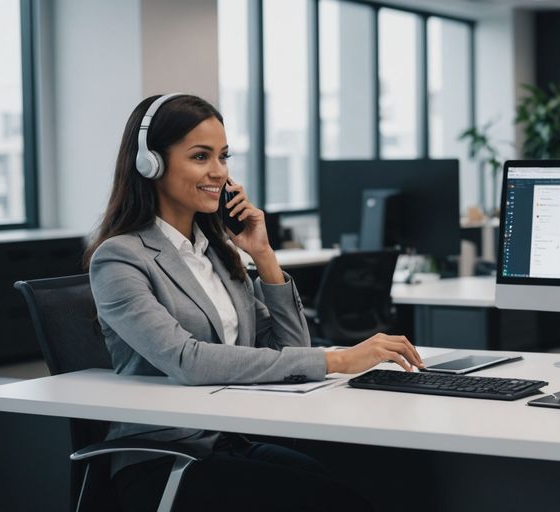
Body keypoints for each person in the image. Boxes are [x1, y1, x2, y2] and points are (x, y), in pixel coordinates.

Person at [86, 93, 423, 511]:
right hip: (166, 459)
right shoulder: (120, 258)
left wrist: (263, 256)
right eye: (200, 157)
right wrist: (338, 359)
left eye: (223, 156)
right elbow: (188, 361)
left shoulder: (215, 253)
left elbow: (291, 349)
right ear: (150, 163)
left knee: (375, 480)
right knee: (332, 501)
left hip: (230, 441)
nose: (219, 172)